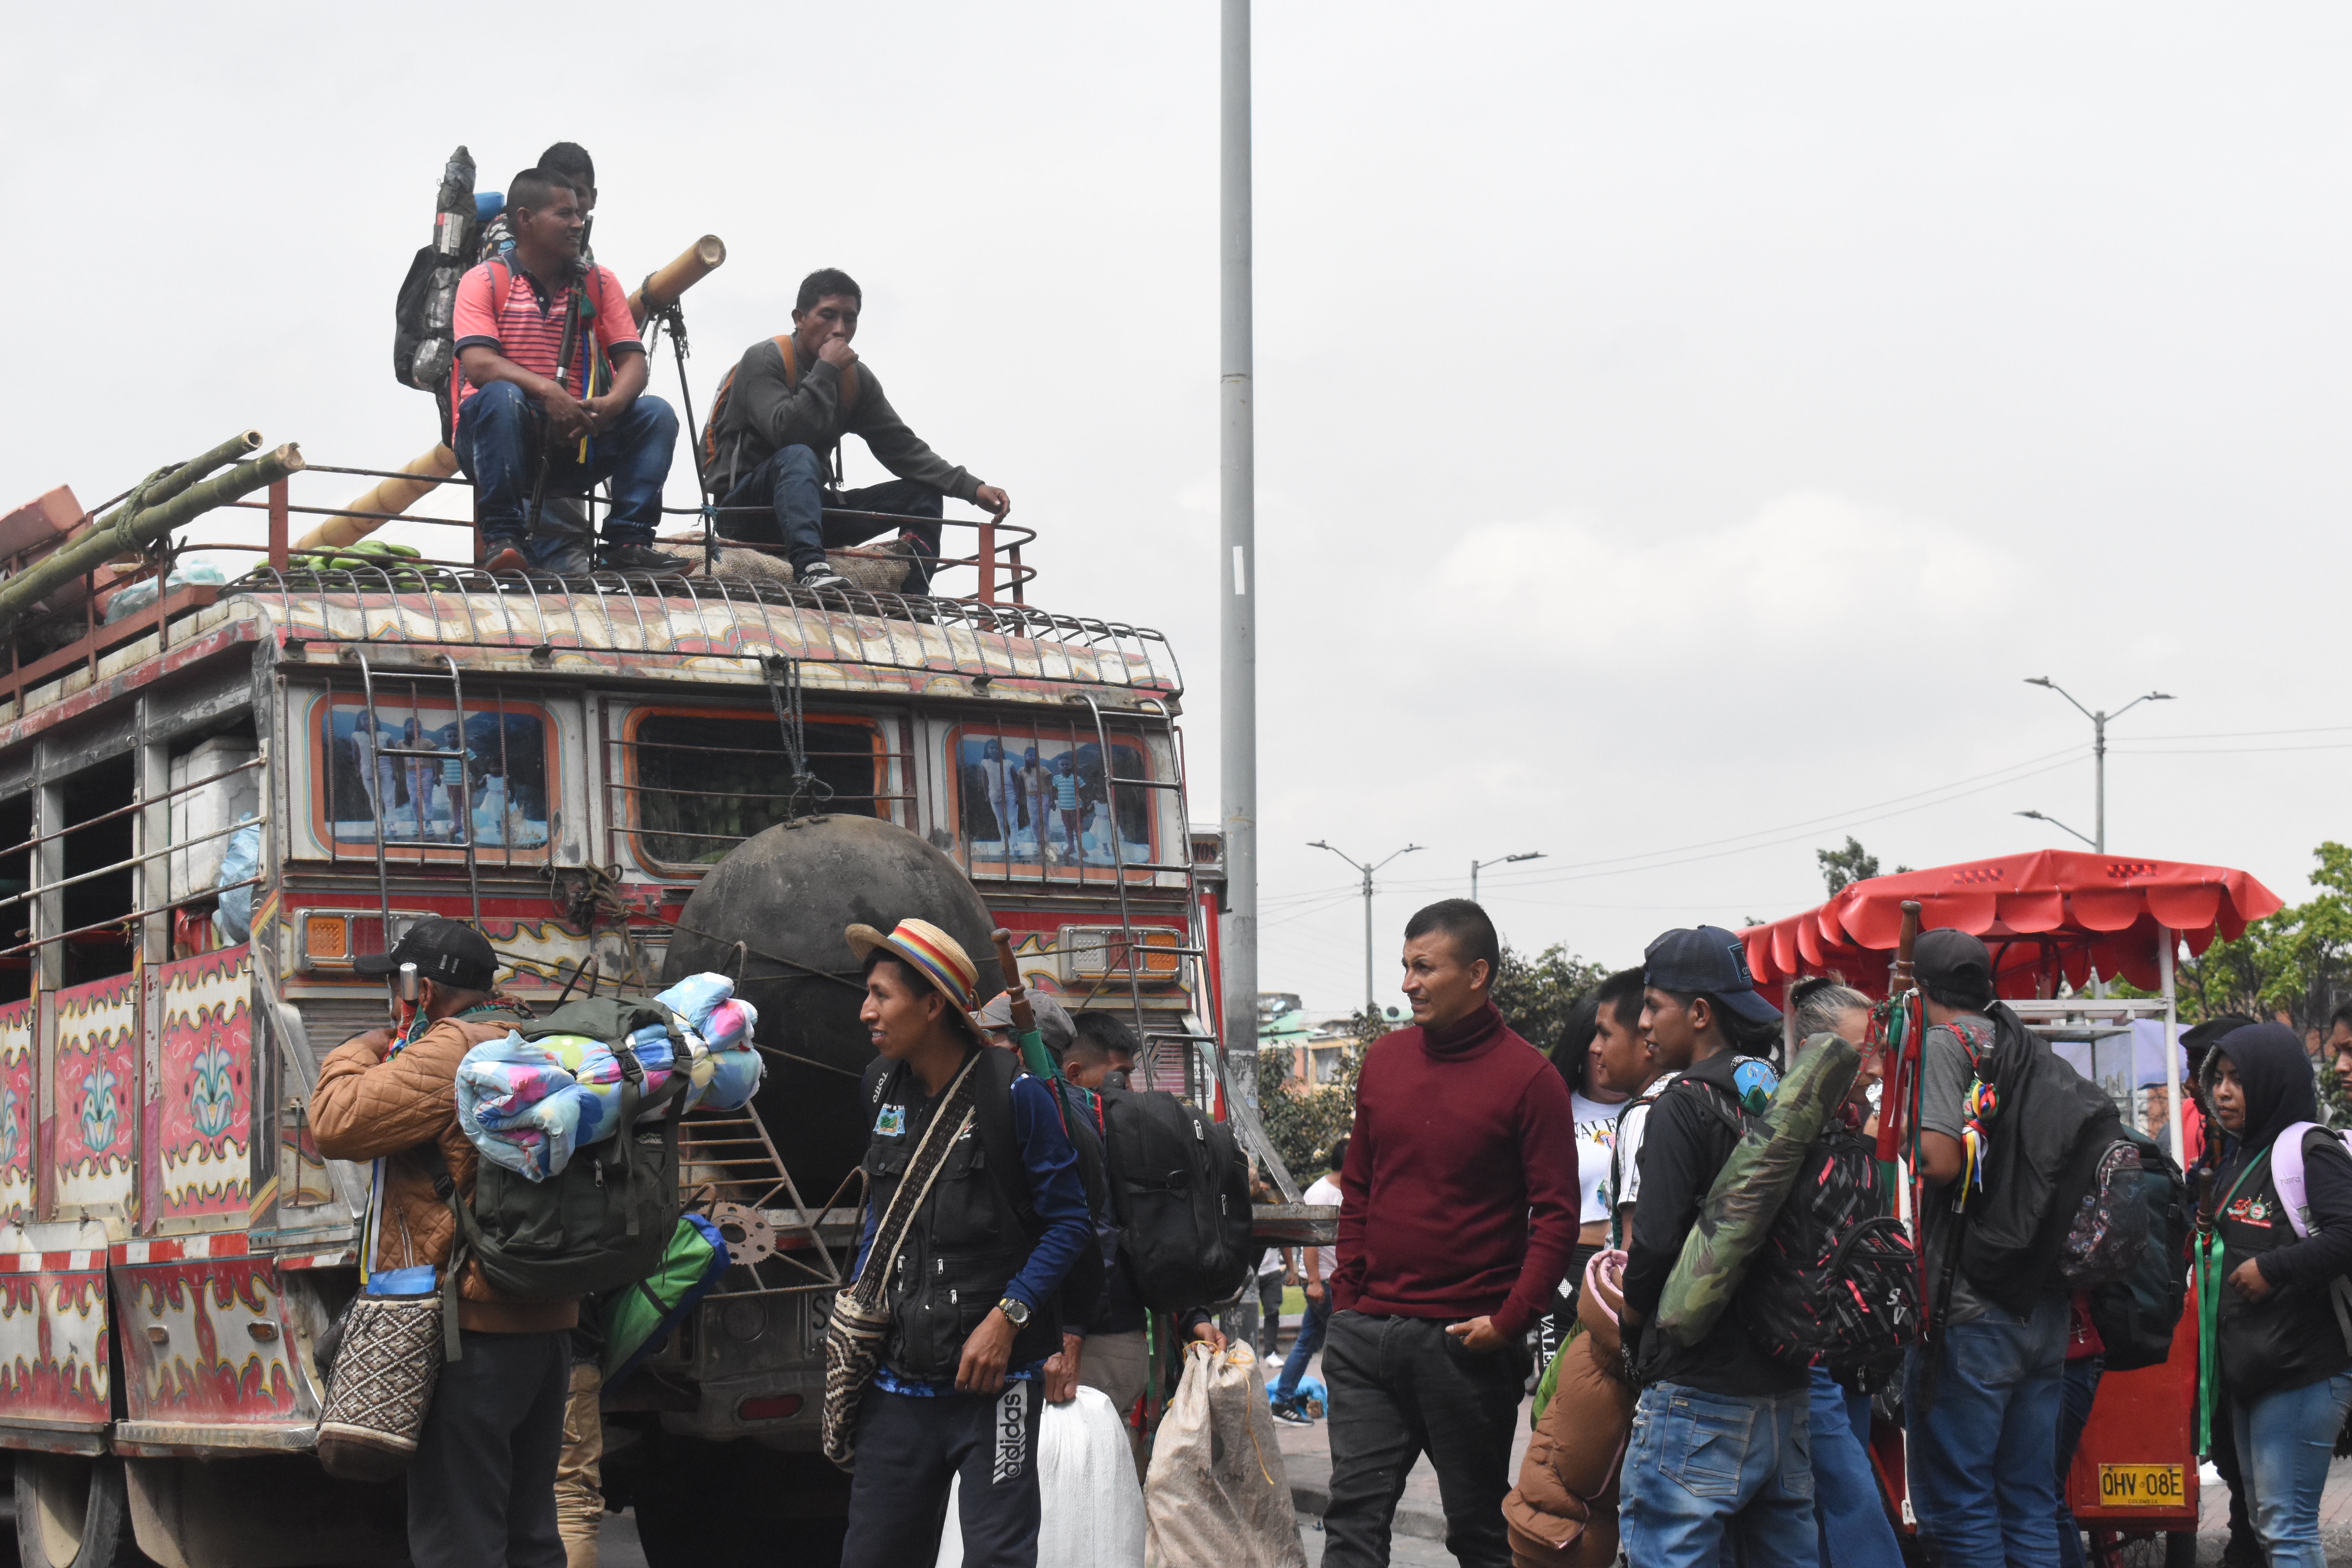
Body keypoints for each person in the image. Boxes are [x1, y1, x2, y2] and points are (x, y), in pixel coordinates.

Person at [309, 918, 574, 1568]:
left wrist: (363, 1048)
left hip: (470, 1334)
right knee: (530, 1536)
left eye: (394, 988)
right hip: (545, 1327)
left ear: (420, 991)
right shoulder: (536, 1038)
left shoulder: (451, 1051)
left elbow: (335, 1123)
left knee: (459, 1539)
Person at [1323, 899, 1579, 1568]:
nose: (1408, 983)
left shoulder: (1531, 1079)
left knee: (1479, 1533)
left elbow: (1557, 1215)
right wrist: (1347, 1303)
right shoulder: (1385, 1060)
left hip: (1465, 1345)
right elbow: (1360, 1188)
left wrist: (1510, 1321)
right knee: (1351, 1523)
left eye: (1424, 968)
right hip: (1366, 1337)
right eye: (1406, 966)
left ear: (1477, 974)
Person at [837, 918, 1092, 1568]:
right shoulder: (878, 1088)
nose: (866, 1011)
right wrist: (864, 1291)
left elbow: (1070, 1224)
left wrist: (1008, 1320)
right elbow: (883, 1214)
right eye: (867, 994)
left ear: (932, 1006)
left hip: (999, 1386)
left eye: (882, 995)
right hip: (897, 1385)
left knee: (998, 1557)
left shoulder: (1016, 1094)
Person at [1617, 927, 1813, 1568]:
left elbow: (1654, 1247)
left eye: (1654, 1006)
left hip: (1699, 1396)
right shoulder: (1782, 1097)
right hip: (1785, 1396)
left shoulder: (1681, 1106)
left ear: (1700, 1013)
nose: (1643, 1023)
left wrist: (1632, 1326)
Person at [1902, 928, 2069, 1565]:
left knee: (1961, 1504)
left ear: (1920, 992)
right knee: (2028, 1500)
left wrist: (1900, 1134)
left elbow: (1941, 1161)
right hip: (2043, 1306)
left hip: (1971, 1308)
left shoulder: (1947, 1043)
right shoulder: (2027, 1046)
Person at [705, 268, 1011, 594]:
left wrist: (972, 488)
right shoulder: (766, 359)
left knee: (922, 496)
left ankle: (914, 601)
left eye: (849, 319)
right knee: (797, 455)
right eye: (828, 316)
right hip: (746, 514)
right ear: (800, 318)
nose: (840, 329)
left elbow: (901, 448)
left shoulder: (853, 379)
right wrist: (825, 370)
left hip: (810, 514)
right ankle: (812, 569)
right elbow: (787, 433)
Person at [450, 167, 680, 575]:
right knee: (502, 397)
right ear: (526, 219)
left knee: (656, 414)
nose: (578, 223)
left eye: (579, 213)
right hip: (500, 438)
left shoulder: (599, 281)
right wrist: (548, 392)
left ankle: (628, 542)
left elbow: (633, 363)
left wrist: (610, 405)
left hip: (573, 438)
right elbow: (480, 365)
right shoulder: (484, 281)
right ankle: (503, 537)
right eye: (564, 214)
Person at [2207, 1022, 2352, 1568]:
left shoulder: (2309, 1152)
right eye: (2218, 1078)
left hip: (2302, 1368)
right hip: (2254, 1369)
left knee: (2287, 1530)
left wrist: (2274, 1267)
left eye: (2238, 1080)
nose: (2223, 1092)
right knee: (2270, 1527)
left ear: (2273, 1082)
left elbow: (2348, 1232)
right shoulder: (2238, 1157)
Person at [1786, 978, 1904, 1568]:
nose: (1877, 1066)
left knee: (1835, 1492)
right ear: (1817, 1050)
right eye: (1865, 1052)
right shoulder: (1785, 1127)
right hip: (1807, 1340)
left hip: (1856, 1342)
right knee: (1848, 1494)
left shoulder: (1858, 1123)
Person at [1540, 991, 1624, 1365]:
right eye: (1598, 1037)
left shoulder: (1659, 1106)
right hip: (1565, 1270)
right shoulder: (1553, 1107)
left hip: (1630, 1267)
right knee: (1558, 1380)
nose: (1603, 1050)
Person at [1587, 966, 1666, 1248]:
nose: (1594, 1047)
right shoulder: (1687, 1092)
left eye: (1604, 1034)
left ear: (1646, 1039)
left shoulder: (1643, 1113)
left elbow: (1631, 1246)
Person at [1270, 1136, 1346, 1420]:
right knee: (1347, 1341)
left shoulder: (1345, 1191)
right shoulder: (1321, 1194)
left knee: (1307, 1342)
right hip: (1323, 1283)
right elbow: (1309, 1241)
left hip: (1330, 1281)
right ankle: (1347, 1403)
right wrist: (1313, 1281)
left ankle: (1283, 1400)